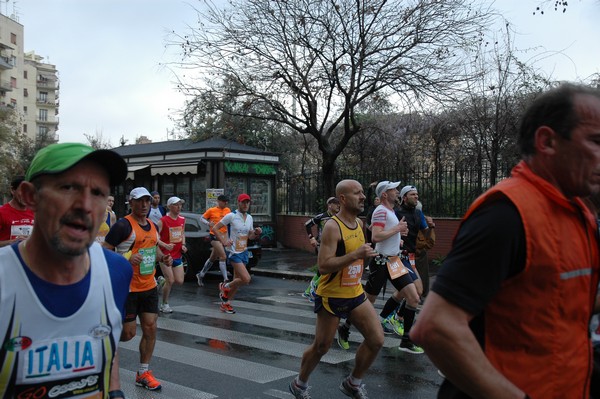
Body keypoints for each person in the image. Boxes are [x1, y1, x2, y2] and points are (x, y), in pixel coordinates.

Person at [411, 83, 600, 398]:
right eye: (595, 141)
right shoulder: (506, 214)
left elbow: (561, 299)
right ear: (547, 141)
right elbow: (436, 327)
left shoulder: (578, 211)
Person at [0, 142, 132, 399]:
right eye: (68, 187)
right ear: (30, 196)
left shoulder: (117, 271)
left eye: (97, 192)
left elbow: (108, 341)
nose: (85, 205)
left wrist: (114, 390)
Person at [289, 179, 382, 399]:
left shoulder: (359, 224)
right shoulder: (332, 226)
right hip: (332, 296)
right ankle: (299, 384)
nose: (363, 197)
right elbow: (323, 265)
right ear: (342, 199)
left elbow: (358, 258)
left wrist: (365, 257)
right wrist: (355, 255)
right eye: (357, 193)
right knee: (322, 346)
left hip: (355, 293)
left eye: (362, 192)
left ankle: (353, 383)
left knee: (376, 340)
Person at [104, 187, 173, 391]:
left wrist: (163, 258)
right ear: (130, 203)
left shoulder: (152, 225)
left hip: (149, 285)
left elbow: (154, 250)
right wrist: (127, 257)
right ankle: (101, 348)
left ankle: (143, 372)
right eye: (139, 201)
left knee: (151, 327)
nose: (144, 205)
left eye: (147, 201)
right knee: (127, 334)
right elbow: (105, 251)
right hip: (128, 288)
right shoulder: (123, 225)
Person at [374, 184, 434, 345]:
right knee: (414, 293)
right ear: (405, 197)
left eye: (417, 194)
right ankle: (396, 323)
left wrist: (430, 225)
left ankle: (391, 318)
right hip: (397, 258)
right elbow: (376, 234)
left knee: (410, 293)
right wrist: (398, 232)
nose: (416, 197)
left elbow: (425, 232)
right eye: (413, 194)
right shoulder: (395, 212)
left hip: (410, 256)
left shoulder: (418, 213)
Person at [214, 193, 262, 314]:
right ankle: (225, 286)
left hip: (244, 251)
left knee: (237, 281)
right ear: (238, 203)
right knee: (246, 279)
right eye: (243, 202)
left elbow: (250, 236)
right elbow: (215, 228)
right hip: (234, 252)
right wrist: (224, 241)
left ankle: (226, 303)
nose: (245, 205)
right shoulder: (231, 216)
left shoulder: (250, 218)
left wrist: (256, 233)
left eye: (247, 202)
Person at [302, 196, 340, 301]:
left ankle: (309, 291)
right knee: (327, 269)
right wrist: (311, 238)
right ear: (329, 205)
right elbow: (307, 225)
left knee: (322, 270)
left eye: (339, 203)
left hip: (335, 246)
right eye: (335, 203)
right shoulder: (321, 217)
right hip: (322, 246)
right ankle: (314, 291)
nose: (338, 205)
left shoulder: (339, 217)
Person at [157, 196, 187, 313]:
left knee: (179, 281)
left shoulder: (182, 219)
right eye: (176, 204)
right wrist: (165, 245)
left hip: (177, 254)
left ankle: (161, 281)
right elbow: (155, 238)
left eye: (180, 204)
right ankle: (164, 304)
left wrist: (183, 244)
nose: (179, 207)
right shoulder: (163, 220)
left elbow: (182, 233)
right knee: (170, 280)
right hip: (165, 255)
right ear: (169, 206)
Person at [196, 194, 231, 286]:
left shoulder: (228, 210)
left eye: (226, 201)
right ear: (219, 201)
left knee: (213, 258)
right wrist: (208, 223)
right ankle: (225, 279)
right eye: (224, 201)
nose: (226, 203)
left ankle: (201, 274)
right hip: (214, 236)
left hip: (223, 235)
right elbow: (202, 218)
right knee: (223, 256)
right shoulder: (212, 210)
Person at [0, 176, 35, 247]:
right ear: (13, 190)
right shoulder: (2, 212)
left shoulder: (35, 212)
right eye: (23, 191)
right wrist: (12, 242)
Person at [414, 200, 435, 300]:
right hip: (414, 250)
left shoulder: (423, 220)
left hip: (419, 251)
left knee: (421, 274)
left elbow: (430, 241)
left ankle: (421, 294)